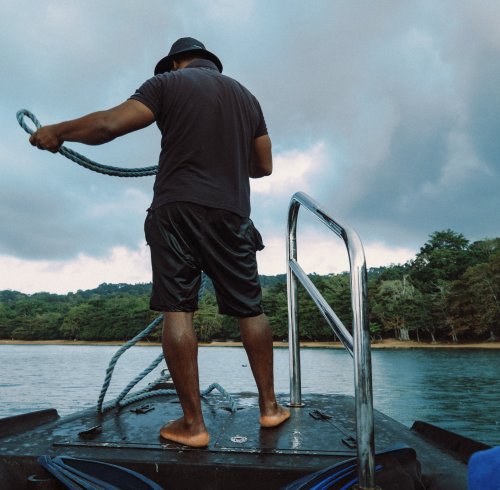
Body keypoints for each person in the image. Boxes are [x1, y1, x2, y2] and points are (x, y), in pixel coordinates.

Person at [29, 37, 290, 448]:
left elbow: (108, 125)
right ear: (211, 64)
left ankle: (193, 425)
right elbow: (264, 166)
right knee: (250, 309)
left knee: (178, 308)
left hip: (177, 209)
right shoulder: (248, 98)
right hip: (232, 213)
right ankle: (271, 408)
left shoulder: (168, 84)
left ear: (174, 64)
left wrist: (57, 132)